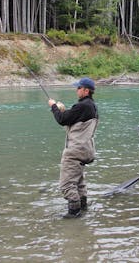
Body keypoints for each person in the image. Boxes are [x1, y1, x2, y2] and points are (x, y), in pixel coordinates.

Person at [48, 77, 99, 218]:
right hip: (86, 150)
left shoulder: (82, 106)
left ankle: (74, 214)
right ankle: (83, 208)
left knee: (66, 185)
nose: (76, 90)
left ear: (86, 90)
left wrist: (53, 106)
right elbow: (73, 121)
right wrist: (63, 110)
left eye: (78, 88)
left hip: (75, 152)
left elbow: (62, 120)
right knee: (79, 182)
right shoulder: (92, 106)